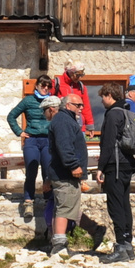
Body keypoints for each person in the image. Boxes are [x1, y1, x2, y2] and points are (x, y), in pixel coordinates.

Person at [44, 96, 105, 255]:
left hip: (62, 173)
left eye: (82, 105)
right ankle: (59, 246)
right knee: (64, 208)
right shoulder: (63, 121)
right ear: (67, 105)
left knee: (66, 207)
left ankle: (92, 230)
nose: (81, 108)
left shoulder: (64, 120)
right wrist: (73, 166)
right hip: (65, 174)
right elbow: (64, 147)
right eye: (78, 105)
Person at [95, 85, 135, 263]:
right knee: (124, 203)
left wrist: (100, 167)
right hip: (127, 163)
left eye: (102, 97)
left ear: (109, 95)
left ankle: (120, 246)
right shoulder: (127, 111)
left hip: (116, 165)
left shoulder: (113, 114)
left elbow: (108, 142)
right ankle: (128, 245)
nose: (101, 101)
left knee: (115, 205)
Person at [6, 76, 55, 211]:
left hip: (47, 140)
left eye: (48, 86)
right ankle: (28, 201)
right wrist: (19, 132)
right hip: (31, 139)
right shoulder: (28, 100)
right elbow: (11, 116)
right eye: (42, 85)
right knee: (31, 170)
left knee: (48, 171)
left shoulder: (53, 101)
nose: (45, 88)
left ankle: (48, 201)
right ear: (37, 86)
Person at [55, 63, 95, 134]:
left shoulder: (81, 87)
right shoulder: (57, 83)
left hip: (79, 126)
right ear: (70, 72)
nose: (79, 78)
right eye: (77, 75)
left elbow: (86, 106)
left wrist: (90, 125)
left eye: (81, 75)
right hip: (62, 124)